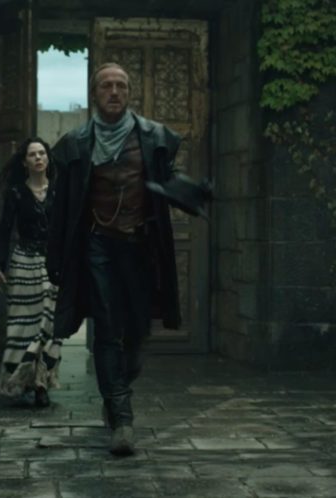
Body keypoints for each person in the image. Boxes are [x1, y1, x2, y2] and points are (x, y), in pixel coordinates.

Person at [47, 62, 201, 455]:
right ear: (94, 94)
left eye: (121, 85)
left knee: (137, 332)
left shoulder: (154, 137)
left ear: (129, 93)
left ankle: (118, 387)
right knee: (107, 327)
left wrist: (190, 192)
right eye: (106, 86)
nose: (114, 92)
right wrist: (55, 259)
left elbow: (166, 181)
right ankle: (121, 417)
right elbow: (62, 207)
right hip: (97, 245)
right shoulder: (75, 145)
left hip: (139, 245)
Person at [0, 137, 61, 407]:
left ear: (48, 158)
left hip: (52, 265)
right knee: (23, 328)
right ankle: (23, 381)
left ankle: (42, 382)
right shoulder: (16, 193)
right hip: (23, 265)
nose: (38, 158)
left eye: (42, 153)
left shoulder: (59, 191)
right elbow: (4, 230)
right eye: (33, 154)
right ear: (24, 162)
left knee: (49, 325)